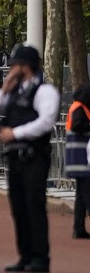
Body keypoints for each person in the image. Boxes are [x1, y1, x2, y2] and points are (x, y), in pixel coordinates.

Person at [0, 44, 60, 273]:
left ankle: (40, 258)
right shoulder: (14, 90)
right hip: (14, 157)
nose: (11, 69)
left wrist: (15, 133)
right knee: (18, 208)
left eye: (15, 65)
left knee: (33, 206)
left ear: (25, 67)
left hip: (33, 155)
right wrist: (4, 89)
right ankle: (24, 256)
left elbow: (46, 122)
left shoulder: (45, 91)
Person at [68, 84, 90, 239]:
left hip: (78, 159)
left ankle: (79, 227)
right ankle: (78, 228)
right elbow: (78, 126)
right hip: (81, 159)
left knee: (81, 197)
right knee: (87, 194)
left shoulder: (78, 106)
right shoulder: (79, 108)